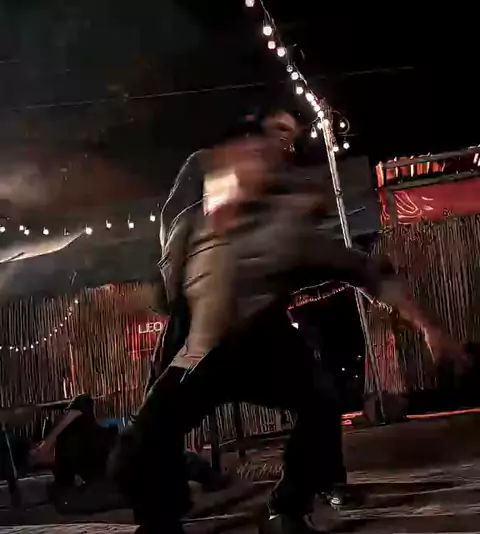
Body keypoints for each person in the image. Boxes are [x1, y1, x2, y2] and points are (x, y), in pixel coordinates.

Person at [111, 127, 464, 534]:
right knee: (140, 443)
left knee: (321, 401)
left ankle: (290, 506)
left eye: (258, 160)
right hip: (199, 349)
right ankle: (161, 517)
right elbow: (168, 282)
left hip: (260, 344)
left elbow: (365, 272)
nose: (244, 166)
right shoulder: (189, 223)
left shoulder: (284, 232)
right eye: (238, 159)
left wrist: (430, 329)